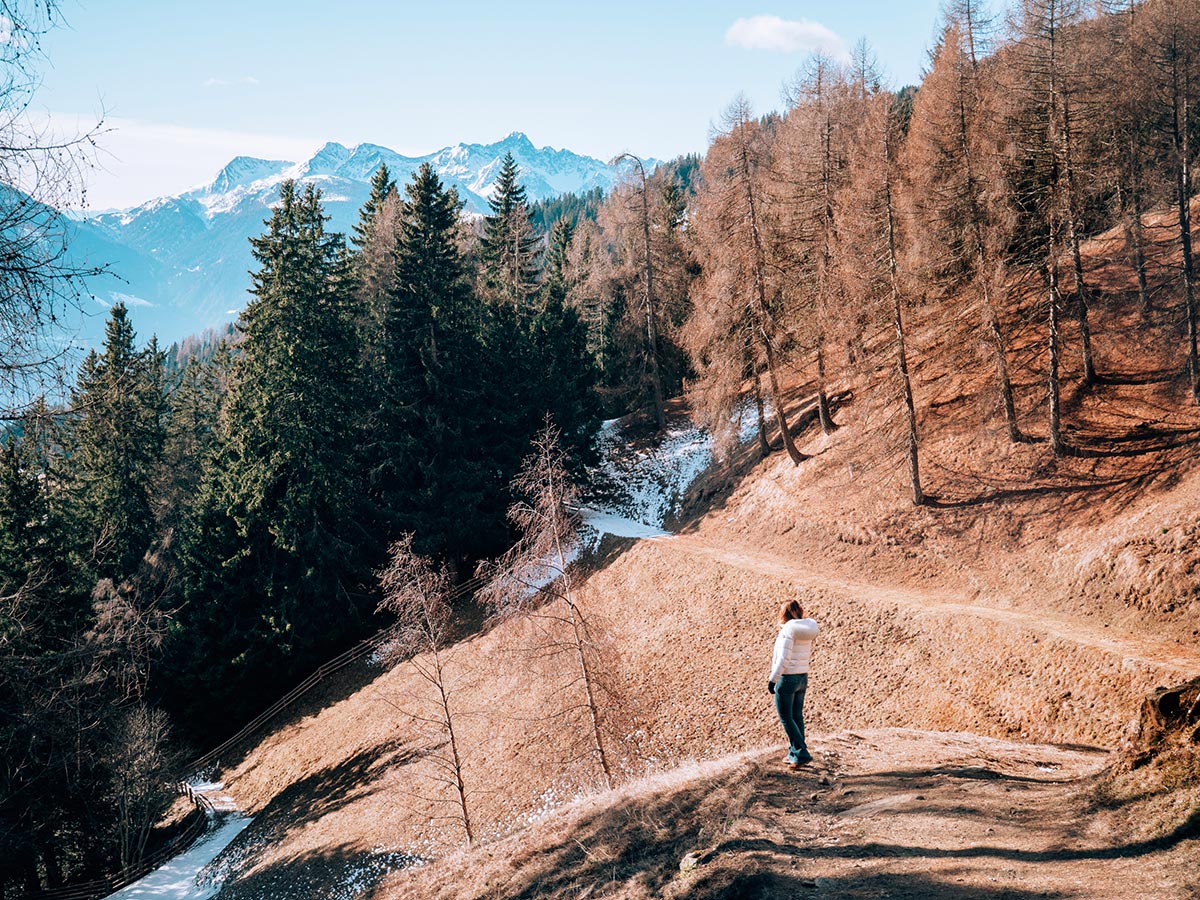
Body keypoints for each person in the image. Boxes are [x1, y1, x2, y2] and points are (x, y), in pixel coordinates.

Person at [768, 598, 819, 769]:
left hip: (787, 678)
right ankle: (794, 753)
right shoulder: (806, 629)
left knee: (786, 718)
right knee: (796, 716)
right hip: (802, 677)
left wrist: (773, 679)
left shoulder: (787, 631)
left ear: (783, 614)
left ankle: (801, 753)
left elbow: (783, 659)